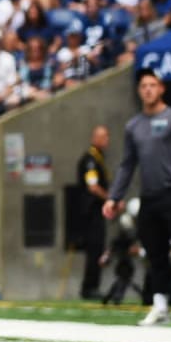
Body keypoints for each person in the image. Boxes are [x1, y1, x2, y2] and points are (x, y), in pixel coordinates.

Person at [103, 69, 171, 327]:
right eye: (144, 86)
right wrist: (114, 197)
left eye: (153, 85)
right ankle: (160, 306)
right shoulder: (133, 126)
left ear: (161, 88)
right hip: (149, 197)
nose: (148, 89)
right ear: (139, 91)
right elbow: (127, 165)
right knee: (155, 253)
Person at [76, 125, 110, 300]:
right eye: (103, 137)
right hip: (91, 212)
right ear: (94, 138)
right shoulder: (90, 160)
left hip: (97, 211)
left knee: (98, 248)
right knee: (94, 249)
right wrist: (110, 199)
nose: (106, 141)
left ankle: (92, 285)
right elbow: (93, 187)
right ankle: (89, 287)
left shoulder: (99, 157)